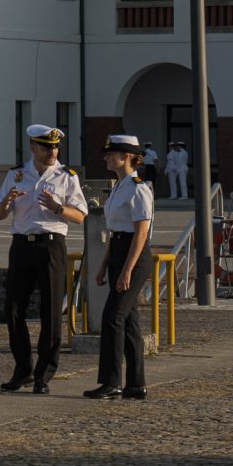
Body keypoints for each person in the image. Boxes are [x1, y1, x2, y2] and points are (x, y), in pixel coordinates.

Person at [0, 123, 87, 394]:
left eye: (56, 146)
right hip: (22, 245)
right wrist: (6, 202)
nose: (52, 151)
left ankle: (44, 375)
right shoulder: (16, 175)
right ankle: (23, 369)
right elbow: (0, 214)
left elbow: (80, 216)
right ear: (33, 147)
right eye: (46, 147)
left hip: (50, 246)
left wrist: (59, 209)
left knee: (50, 311)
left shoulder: (66, 176)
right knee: (13, 309)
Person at [87, 135, 154, 401]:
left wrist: (127, 269)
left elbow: (140, 233)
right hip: (117, 251)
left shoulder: (138, 187)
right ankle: (136, 385)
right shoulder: (119, 186)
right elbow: (114, 231)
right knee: (128, 322)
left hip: (133, 256)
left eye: (110, 153)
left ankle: (111, 382)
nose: (105, 158)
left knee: (112, 317)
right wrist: (104, 266)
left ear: (126, 156)